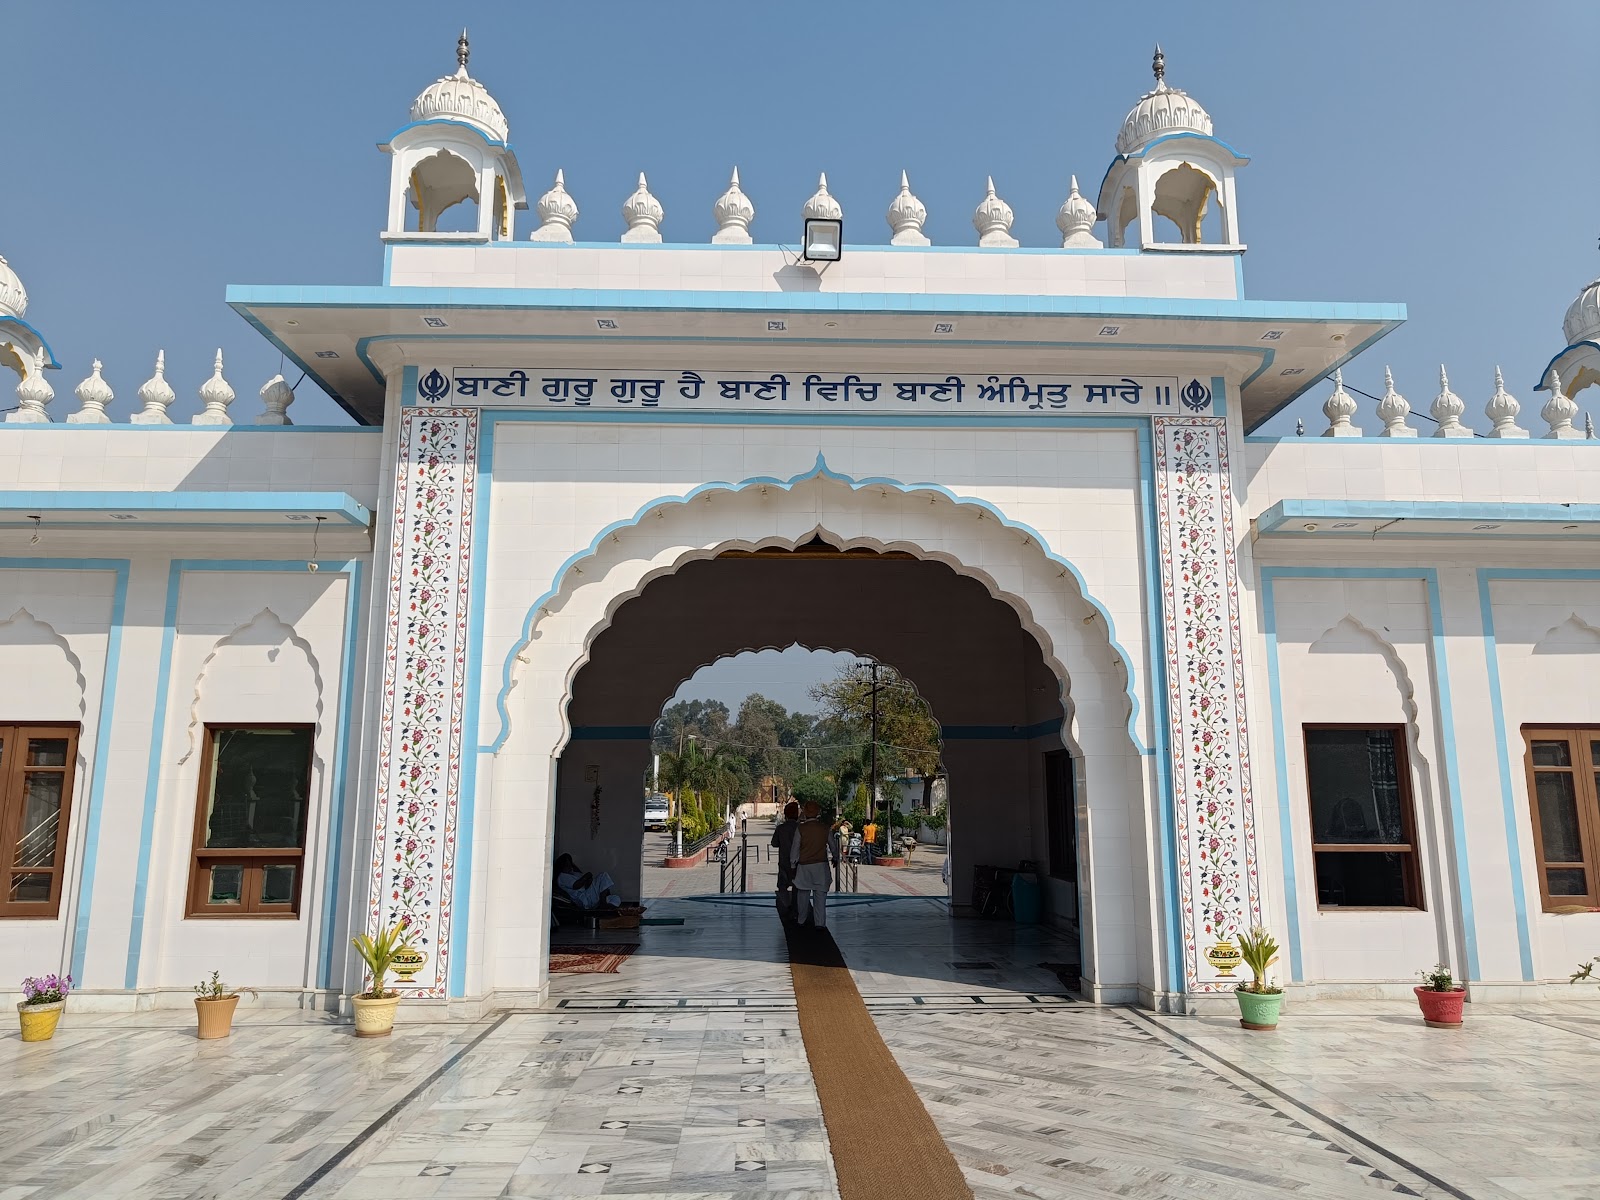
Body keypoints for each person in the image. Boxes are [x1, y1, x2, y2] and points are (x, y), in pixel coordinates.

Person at [790, 801, 832, 928]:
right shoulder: (825, 828)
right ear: (818, 813)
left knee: (802, 895)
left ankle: (801, 920)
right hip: (821, 867)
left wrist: (793, 865)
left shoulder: (800, 829)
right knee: (820, 897)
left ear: (805, 813)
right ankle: (820, 923)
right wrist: (835, 857)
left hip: (804, 867)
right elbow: (833, 846)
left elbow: (795, 849)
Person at [553, 853, 620, 910]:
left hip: (590, 895)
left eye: (570, 864)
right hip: (585, 898)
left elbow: (586, 880)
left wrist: (587, 879)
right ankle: (603, 903)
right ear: (562, 866)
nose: (569, 866)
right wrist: (588, 875)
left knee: (616, 898)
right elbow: (576, 885)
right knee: (603, 876)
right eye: (567, 865)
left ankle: (605, 908)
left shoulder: (573, 873)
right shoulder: (562, 876)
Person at [771, 801, 800, 924]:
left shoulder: (781, 828)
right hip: (798, 862)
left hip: (784, 861)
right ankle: (796, 907)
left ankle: (787, 905)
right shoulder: (800, 828)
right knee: (797, 886)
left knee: (782, 885)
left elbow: (774, 843)